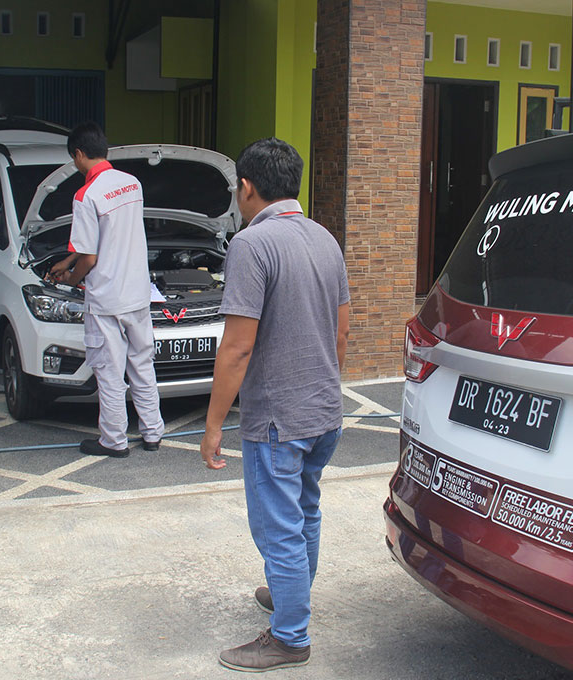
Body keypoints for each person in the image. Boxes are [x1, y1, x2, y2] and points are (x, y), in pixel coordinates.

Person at [200, 138, 350, 672]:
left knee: (277, 527)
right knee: (304, 511)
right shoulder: (325, 239)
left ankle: (289, 635)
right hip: (322, 411)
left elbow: (237, 346)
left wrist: (213, 424)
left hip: (276, 418)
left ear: (247, 187)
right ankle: (292, 597)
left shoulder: (251, 245)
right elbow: (342, 332)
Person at [50, 122, 164, 458]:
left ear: (79, 154)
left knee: (110, 370)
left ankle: (113, 441)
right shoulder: (131, 184)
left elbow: (91, 255)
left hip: (107, 299)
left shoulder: (85, 195)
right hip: (137, 292)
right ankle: (153, 432)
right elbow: (110, 232)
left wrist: (71, 278)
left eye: (74, 159)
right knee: (143, 364)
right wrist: (68, 259)